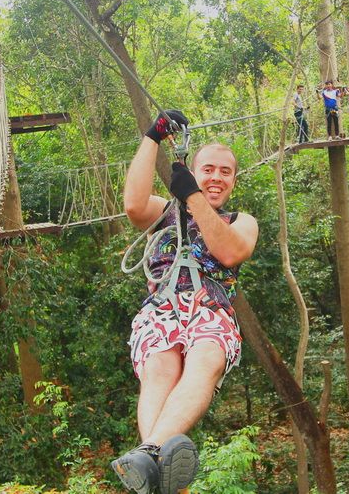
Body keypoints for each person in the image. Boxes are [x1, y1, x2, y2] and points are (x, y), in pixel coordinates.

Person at [113, 110, 259, 494]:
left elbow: (228, 253)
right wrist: (152, 137)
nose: (216, 178)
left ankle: (147, 456)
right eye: (207, 169)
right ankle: (152, 461)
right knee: (160, 367)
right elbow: (132, 205)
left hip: (209, 307)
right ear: (193, 170)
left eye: (225, 172)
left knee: (207, 356)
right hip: (161, 305)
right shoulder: (164, 212)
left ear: (233, 180)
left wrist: (193, 197)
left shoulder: (242, 220)